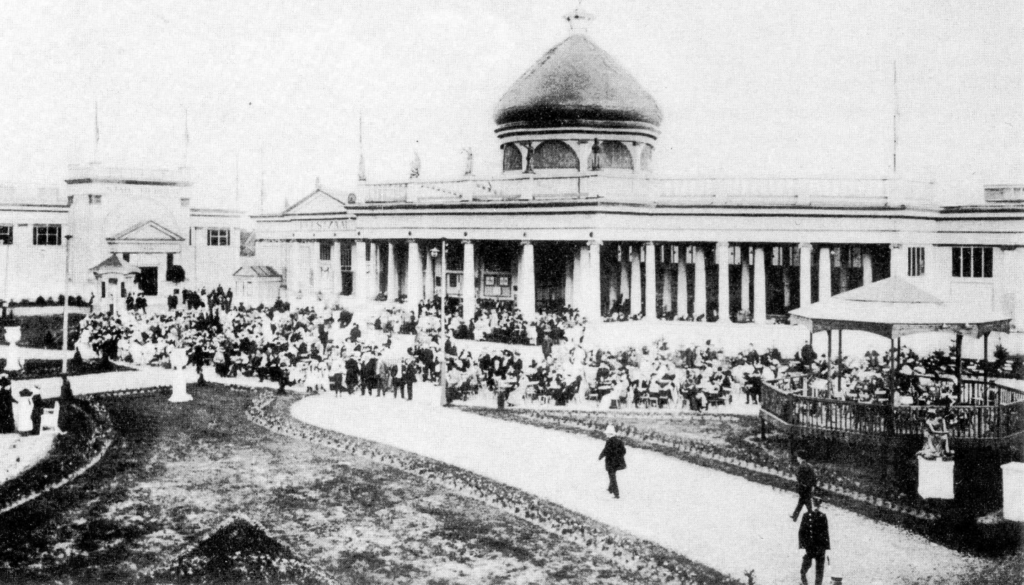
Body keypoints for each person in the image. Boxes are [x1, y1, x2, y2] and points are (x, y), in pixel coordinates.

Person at [798, 496, 830, 585]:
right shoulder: (806, 516)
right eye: (814, 505)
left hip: (820, 549)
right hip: (809, 548)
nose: (815, 507)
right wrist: (802, 547)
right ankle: (804, 583)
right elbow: (801, 532)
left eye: (817, 505)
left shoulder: (823, 516)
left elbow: (825, 533)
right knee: (803, 570)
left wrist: (827, 549)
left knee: (819, 572)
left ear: (819, 506)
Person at [598, 424, 627, 499]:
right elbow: (624, 451)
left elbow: (605, 451)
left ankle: (616, 494)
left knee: (612, 477)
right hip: (618, 462)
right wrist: (619, 456)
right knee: (613, 474)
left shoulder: (609, 442)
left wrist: (600, 457)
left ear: (608, 434)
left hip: (610, 463)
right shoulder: (619, 441)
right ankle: (610, 489)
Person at [791, 452, 817, 521]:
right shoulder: (810, 465)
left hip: (803, 488)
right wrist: (812, 485)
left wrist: (802, 484)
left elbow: (799, 477)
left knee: (806, 503)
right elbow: (814, 477)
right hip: (808, 487)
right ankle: (794, 516)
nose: (797, 459)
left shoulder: (801, 466)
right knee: (802, 502)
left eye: (797, 457)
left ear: (800, 458)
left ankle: (811, 517)